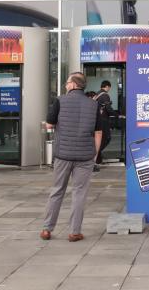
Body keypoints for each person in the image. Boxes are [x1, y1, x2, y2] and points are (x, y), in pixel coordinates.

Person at [39, 72, 105, 243]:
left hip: (63, 155)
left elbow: (50, 124)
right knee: (79, 193)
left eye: (67, 82)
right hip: (85, 156)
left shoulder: (60, 101)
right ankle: (74, 232)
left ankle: (47, 229)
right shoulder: (93, 104)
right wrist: (95, 154)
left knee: (57, 190)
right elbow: (98, 132)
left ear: (74, 84)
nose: (66, 85)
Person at [93, 80, 117, 170]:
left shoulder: (97, 94)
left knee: (99, 139)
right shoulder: (105, 95)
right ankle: (95, 157)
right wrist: (117, 115)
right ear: (107, 86)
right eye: (109, 88)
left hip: (96, 120)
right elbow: (108, 108)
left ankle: (98, 159)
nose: (109, 89)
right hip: (103, 121)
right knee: (106, 138)